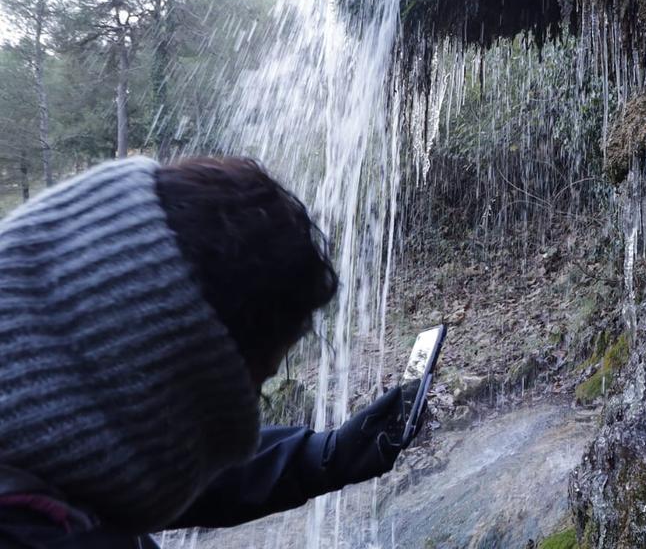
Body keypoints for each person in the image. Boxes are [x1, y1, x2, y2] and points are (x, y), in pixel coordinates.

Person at [0, 157, 422, 548]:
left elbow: (150, 469)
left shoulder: (45, 479)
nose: (219, 442)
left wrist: (327, 455)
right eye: (246, 396)